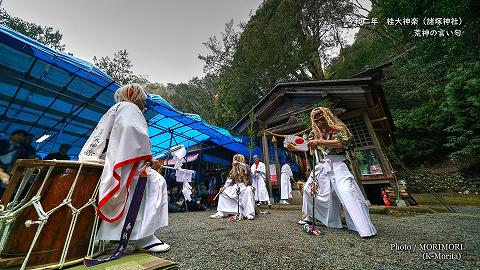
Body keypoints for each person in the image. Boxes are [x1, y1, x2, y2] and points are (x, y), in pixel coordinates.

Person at [78, 83, 169, 252]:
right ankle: (144, 238)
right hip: (126, 165)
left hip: (111, 163)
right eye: (143, 98)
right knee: (156, 182)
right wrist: (149, 159)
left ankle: (116, 234)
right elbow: (133, 132)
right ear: (137, 97)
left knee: (145, 184)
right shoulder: (131, 108)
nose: (144, 103)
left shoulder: (115, 108)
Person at [299, 107, 376, 238]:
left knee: (347, 191)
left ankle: (362, 227)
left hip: (339, 164)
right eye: (315, 118)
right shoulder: (315, 132)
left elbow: (342, 143)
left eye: (320, 116)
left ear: (327, 115)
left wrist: (320, 141)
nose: (318, 120)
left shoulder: (339, 127)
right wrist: (294, 147)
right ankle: (312, 216)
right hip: (323, 165)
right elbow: (308, 145)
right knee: (309, 189)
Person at [210, 154, 256, 220]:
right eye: (235, 159)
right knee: (223, 192)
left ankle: (249, 213)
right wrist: (224, 187)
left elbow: (246, 168)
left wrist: (238, 163)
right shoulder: (233, 170)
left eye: (238, 159)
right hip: (236, 186)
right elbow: (229, 180)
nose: (236, 161)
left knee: (248, 190)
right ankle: (222, 212)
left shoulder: (245, 167)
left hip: (245, 186)